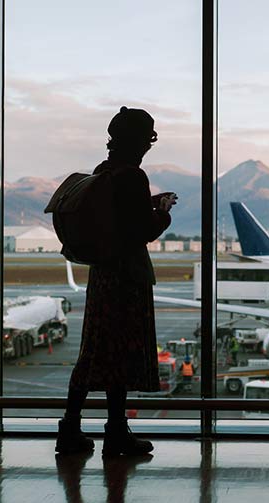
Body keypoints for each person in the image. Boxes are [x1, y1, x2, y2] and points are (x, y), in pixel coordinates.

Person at [56, 106, 177, 456]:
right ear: (140, 140)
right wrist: (163, 214)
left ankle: (70, 428)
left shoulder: (103, 173)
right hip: (127, 277)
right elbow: (141, 231)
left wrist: (148, 207)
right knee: (121, 356)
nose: (149, 146)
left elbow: (119, 220)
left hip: (103, 276)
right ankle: (116, 433)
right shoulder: (133, 177)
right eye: (148, 139)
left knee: (94, 352)